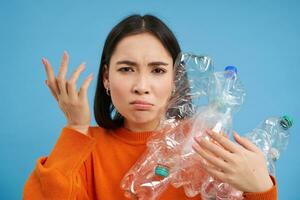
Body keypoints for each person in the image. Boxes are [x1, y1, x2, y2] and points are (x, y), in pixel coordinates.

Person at [23, 14, 277, 199]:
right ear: (106, 78)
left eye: (157, 70)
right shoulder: (83, 149)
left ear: (175, 79)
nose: (141, 85)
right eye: (126, 69)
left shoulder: (202, 146)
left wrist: (259, 188)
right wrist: (75, 128)